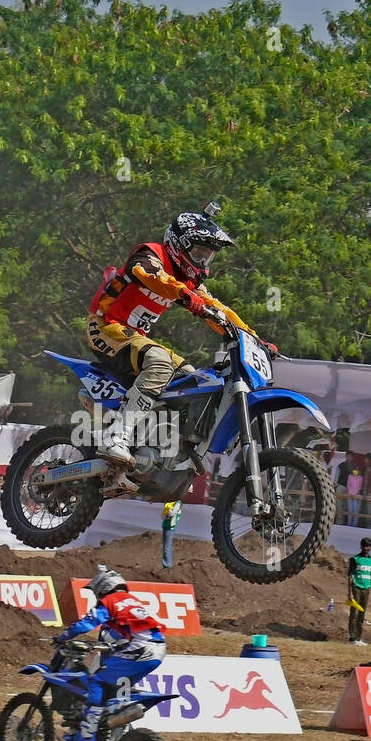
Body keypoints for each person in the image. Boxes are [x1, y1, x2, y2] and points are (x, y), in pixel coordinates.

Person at [86, 205, 275, 490]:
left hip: (133, 336)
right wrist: (190, 299)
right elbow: (152, 276)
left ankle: (167, 454)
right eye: (199, 252)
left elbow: (217, 308)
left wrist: (254, 338)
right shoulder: (150, 255)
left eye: (207, 255)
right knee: (161, 362)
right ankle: (116, 436)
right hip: (105, 325)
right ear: (179, 244)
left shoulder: (189, 282)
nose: (202, 261)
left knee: (193, 379)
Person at [53, 567, 166, 741]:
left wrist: (62, 637)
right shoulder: (132, 601)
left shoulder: (109, 601)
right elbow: (129, 632)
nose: (97, 596)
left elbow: (85, 625)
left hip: (141, 649)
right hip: (158, 649)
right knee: (112, 690)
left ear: (103, 588)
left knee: (97, 680)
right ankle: (112, 734)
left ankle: (86, 736)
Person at [347, 538, 371, 644]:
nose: (366, 548)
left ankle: (359, 637)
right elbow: (350, 576)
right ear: (361, 547)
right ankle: (352, 637)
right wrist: (350, 592)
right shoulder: (355, 559)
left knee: (362, 614)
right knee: (354, 613)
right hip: (356, 588)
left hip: (366, 589)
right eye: (364, 546)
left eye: (368, 546)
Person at [161, 499, 182, 569]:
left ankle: (167, 564)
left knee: (167, 545)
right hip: (165, 525)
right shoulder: (168, 502)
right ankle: (166, 564)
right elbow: (163, 515)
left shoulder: (177, 503)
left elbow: (171, 513)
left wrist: (168, 508)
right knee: (165, 545)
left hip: (171, 526)